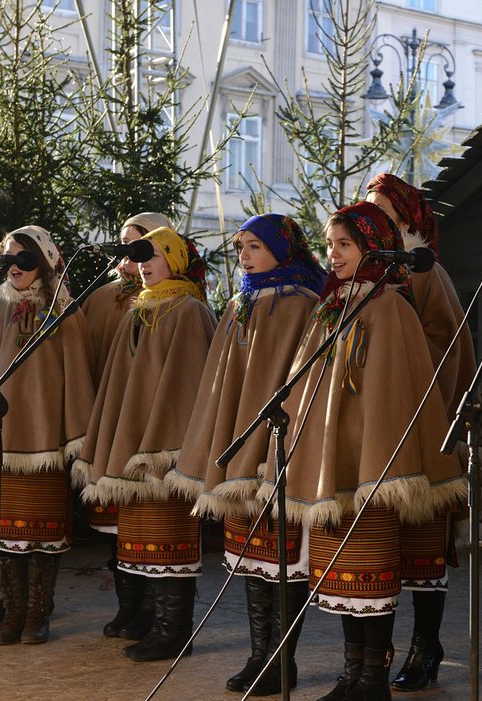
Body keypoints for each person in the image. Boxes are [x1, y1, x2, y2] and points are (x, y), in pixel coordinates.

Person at [277, 201, 466, 701]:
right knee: (341, 576)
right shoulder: (332, 303)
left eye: (344, 245)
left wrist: (378, 454)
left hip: (374, 464)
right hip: (333, 461)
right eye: (329, 245)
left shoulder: (390, 306)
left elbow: (396, 393)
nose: (332, 255)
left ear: (373, 248)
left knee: (370, 571)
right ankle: (353, 675)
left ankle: (373, 681)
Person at [167, 213, 326, 695]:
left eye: (254, 246)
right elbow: (224, 383)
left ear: (283, 248)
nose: (244, 254)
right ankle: (259, 654)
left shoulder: (304, 303)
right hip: (239, 448)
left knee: (282, 558)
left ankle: (282, 660)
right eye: (240, 247)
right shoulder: (241, 301)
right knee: (252, 557)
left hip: (278, 448)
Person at [0, 225, 95, 645]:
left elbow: (77, 375)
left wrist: (75, 434)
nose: (12, 267)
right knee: (3, 531)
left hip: (45, 440)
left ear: (41, 262)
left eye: (21, 258)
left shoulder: (62, 311)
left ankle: (38, 612)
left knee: (42, 533)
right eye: (6, 258)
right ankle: (12, 609)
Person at [73, 225, 215, 662]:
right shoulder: (141, 307)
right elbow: (123, 385)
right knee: (143, 538)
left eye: (152, 254)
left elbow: (190, 384)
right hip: (136, 445)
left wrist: (170, 442)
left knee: (168, 535)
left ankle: (175, 631)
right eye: (139, 256)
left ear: (174, 257)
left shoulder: (189, 309)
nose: (143, 263)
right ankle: (154, 622)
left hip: (169, 448)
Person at [364, 173, 479, 692]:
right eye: (370, 209)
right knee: (382, 548)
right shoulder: (361, 274)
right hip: (376, 430)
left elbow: (451, 345)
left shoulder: (425, 272)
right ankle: (377, 652)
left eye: (386, 209)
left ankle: (426, 645)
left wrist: (403, 362)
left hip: (422, 425)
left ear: (408, 217)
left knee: (424, 549)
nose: (378, 216)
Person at [79, 211, 172, 636]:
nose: (128, 257)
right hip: (111, 423)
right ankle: (127, 606)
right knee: (116, 526)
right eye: (125, 245)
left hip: (150, 425)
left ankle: (155, 610)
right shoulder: (102, 299)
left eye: (140, 247)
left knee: (148, 524)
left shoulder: (174, 300)